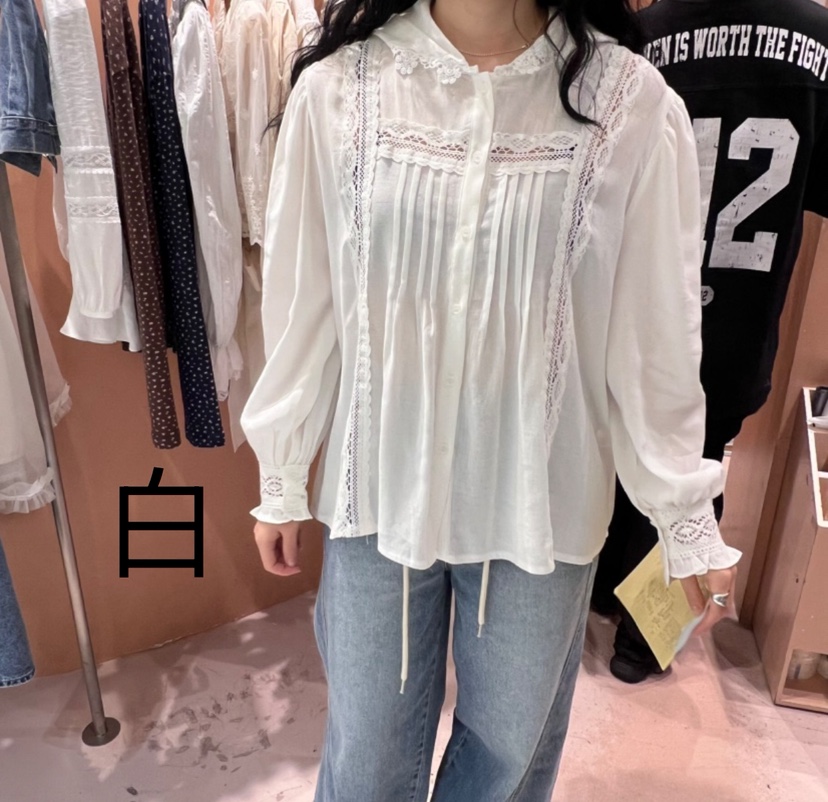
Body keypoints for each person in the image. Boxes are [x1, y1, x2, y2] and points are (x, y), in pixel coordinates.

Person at [240, 0, 741, 798]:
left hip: (543, 505)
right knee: (367, 756)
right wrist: (282, 470)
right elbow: (307, 303)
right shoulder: (342, 89)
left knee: (509, 758)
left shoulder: (628, 103)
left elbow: (654, 335)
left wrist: (683, 516)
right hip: (378, 495)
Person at [593, 0, 828, 686]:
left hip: (640, 305)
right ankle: (645, 642)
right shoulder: (818, 38)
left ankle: (605, 592)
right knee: (701, 459)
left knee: (625, 445)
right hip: (743, 313)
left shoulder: (644, 31)